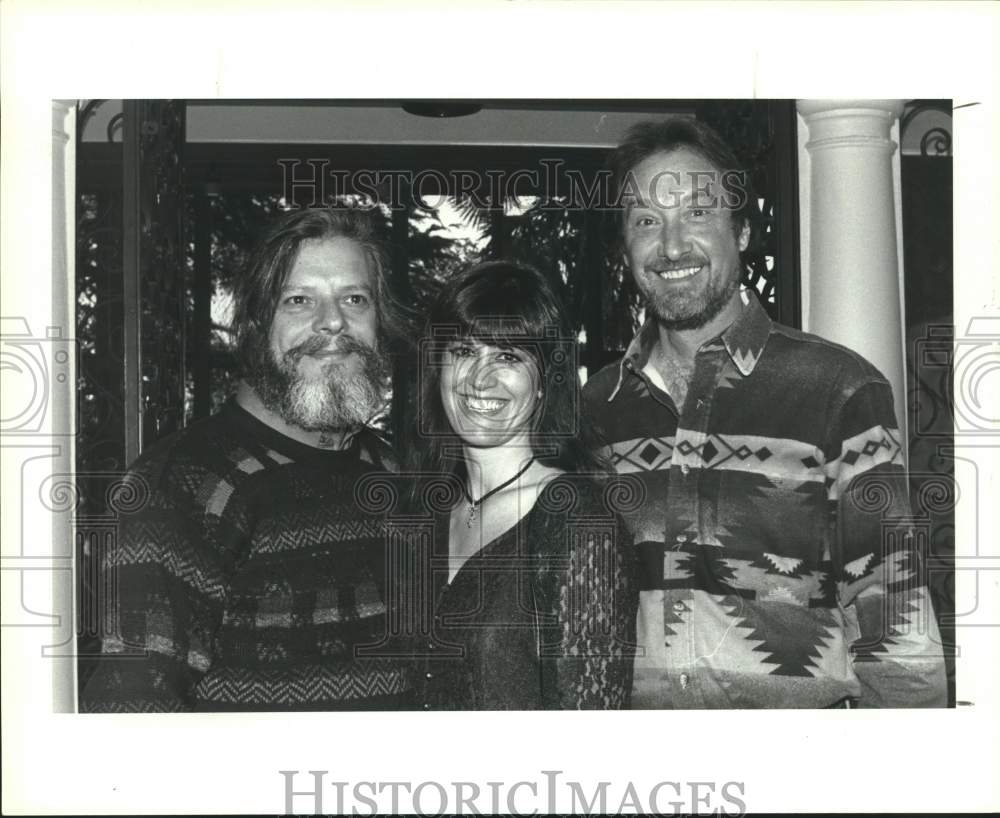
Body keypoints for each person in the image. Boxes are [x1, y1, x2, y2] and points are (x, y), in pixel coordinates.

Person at [582, 119, 948, 708]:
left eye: (698, 214)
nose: (672, 246)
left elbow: (894, 614)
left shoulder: (839, 388)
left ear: (743, 231)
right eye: (647, 221)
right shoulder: (597, 409)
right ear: (626, 250)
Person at [81, 204, 414, 711]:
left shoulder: (392, 471)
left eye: (355, 298)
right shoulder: (184, 483)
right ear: (257, 324)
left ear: (379, 321)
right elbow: (133, 710)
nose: (332, 323)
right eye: (299, 300)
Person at [406, 261, 636, 710]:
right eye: (465, 351)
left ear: (545, 383)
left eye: (508, 357)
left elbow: (590, 738)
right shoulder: (424, 514)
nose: (479, 379)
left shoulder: (579, 522)